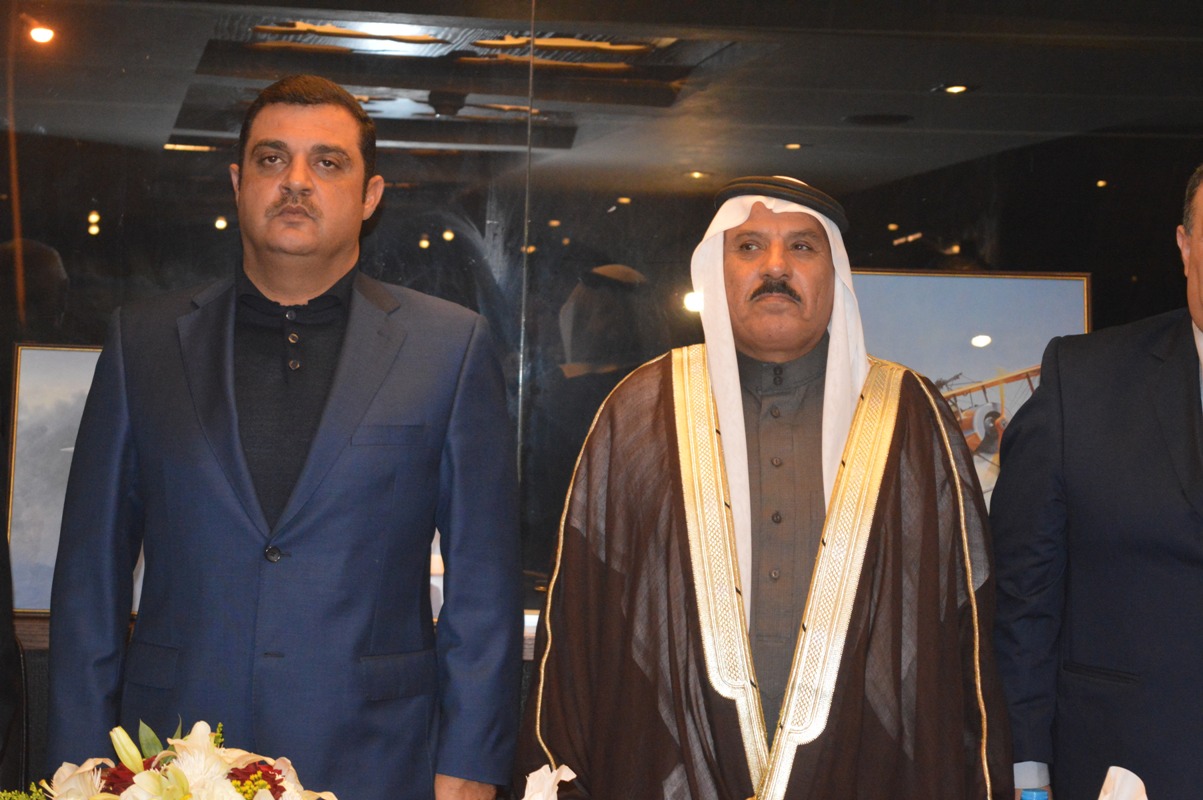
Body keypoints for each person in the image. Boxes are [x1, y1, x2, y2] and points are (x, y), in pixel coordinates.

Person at [45, 75, 521, 800]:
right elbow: (90, 577)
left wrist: (471, 768)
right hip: (167, 763)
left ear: (370, 195)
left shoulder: (449, 347)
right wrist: (78, 771)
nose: (296, 180)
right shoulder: (143, 342)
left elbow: (483, 585)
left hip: (377, 758)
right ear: (238, 184)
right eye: (271, 159)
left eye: (328, 162)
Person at [518, 175, 1013, 799]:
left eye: (802, 247)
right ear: (716, 270)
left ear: (836, 275)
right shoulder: (639, 409)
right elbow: (580, 625)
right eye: (749, 246)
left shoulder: (911, 413)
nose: (775, 267)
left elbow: (966, 635)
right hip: (667, 767)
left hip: (872, 771)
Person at [992, 163, 1203, 800]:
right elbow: (1023, 600)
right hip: (1130, 769)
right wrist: (1028, 773)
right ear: (1185, 245)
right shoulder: (1082, 383)